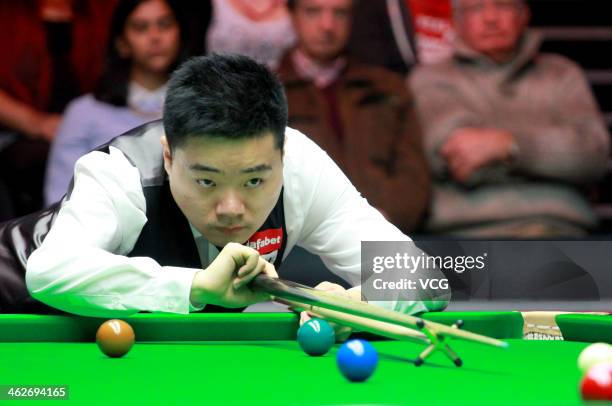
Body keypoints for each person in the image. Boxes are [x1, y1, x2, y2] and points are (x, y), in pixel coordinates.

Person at [0, 54, 449, 320]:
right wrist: (195, 287)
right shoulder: (121, 173)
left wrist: (361, 303)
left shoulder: (303, 168)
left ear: (281, 158)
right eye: (206, 181)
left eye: (255, 179)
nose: (232, 207)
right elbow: (49, 272)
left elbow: (420, 275)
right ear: (169, 156)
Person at [409, 0, 610, 237]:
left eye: (503, 5)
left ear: (524, 15)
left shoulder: (562, 74)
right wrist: (555, 160)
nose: (491, 18)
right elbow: (460, 158)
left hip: (561, 232)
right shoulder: (431, 80)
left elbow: (594, 157)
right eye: (476, 8)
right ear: (457, 20)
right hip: (465, 238)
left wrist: (509, 145)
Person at [277, 0, 430, 233]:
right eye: (313, 12)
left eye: (340, 14)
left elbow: (413, 174)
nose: (328, 25)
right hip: (302, 243)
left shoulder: (388, 88)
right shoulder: (264, 93)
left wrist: (382, 219)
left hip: (385, 233)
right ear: (292, 16)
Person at [44, 0, 188, 206]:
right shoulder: (83, 113)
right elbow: (59, 201)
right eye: (141, 28)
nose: (155, 36)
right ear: (121, 43)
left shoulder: (202, 108)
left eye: (164, 24)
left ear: (180, 34)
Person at [0, 0, 116, 217]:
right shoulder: (8, 14)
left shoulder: (104, 10)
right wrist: (37, 123)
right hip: (17, 133)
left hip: (97, 124)